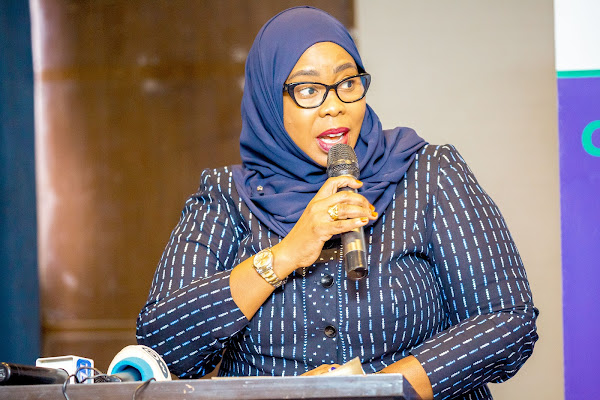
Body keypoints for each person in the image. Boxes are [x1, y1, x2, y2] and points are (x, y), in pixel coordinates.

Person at [136, 6, 538, 400]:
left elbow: (507, 321)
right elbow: (164, 347)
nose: (335, 106)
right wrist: (286, 253)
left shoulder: (427, 172)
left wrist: (376, 391)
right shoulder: (225, 197)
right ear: (269, 100)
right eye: (308, 90)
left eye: (347, 83)